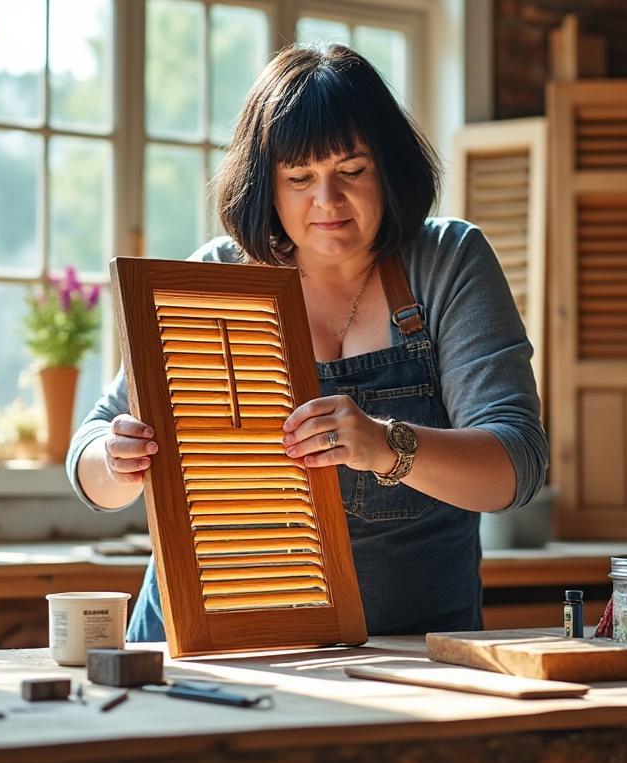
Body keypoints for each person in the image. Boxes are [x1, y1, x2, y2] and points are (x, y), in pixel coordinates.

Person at [67, 43, 547, 642]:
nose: (327, 200)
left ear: (389, 167)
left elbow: (517, 463)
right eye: (299, 177)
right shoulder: (218, 278)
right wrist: (116, 461)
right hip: (202, 644)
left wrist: (384, 445)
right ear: (265, 185)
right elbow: (89, 456)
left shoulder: (447, 262)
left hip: (408, 655)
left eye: (351, 170)